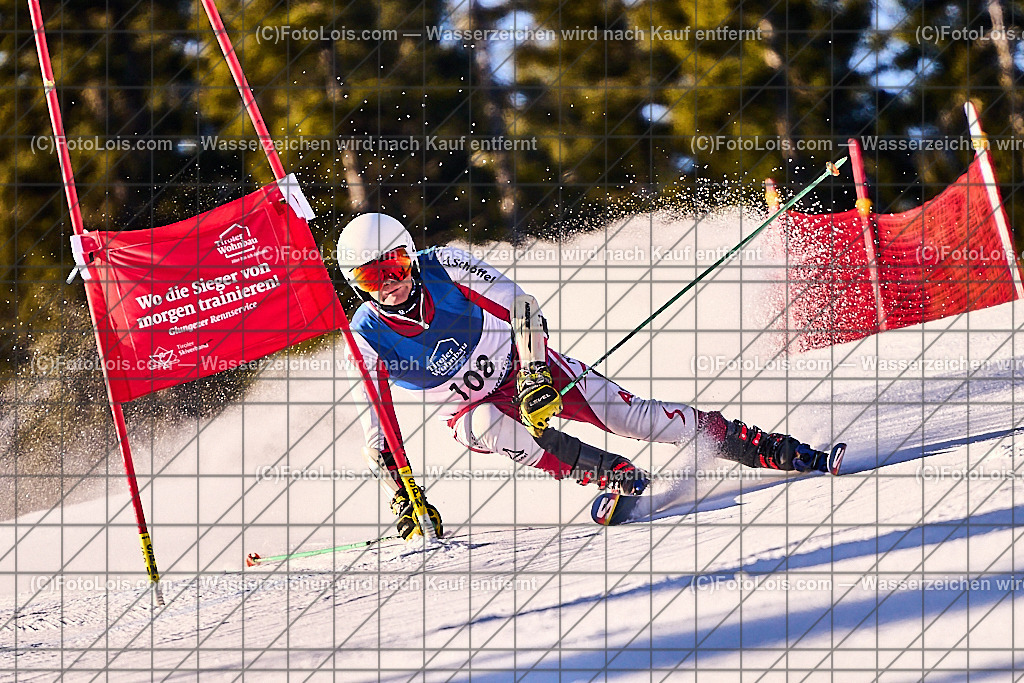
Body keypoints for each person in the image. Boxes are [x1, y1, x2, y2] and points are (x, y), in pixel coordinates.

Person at [338, 213, 833, 540]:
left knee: (633, 416)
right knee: (488, 425)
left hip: (526, 365)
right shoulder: (365, 335)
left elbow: (522, 306)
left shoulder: (446, 265)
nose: (391, 284)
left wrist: (534, 374)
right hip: (471, 410)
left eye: (396, 265)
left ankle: (766, 447)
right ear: (357, 287)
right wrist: (403, 497)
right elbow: (376, 431)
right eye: (371, 278)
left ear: (409, 255)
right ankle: (616, 476)